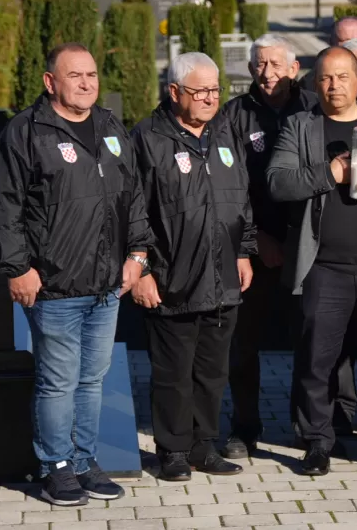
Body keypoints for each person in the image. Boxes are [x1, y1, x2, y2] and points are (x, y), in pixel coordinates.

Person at [0, 43, 151, 506]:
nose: (86, 83)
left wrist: (139, 253)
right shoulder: (26, 132)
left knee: (91, 380)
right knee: (58, 381)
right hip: (54, 285)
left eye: (91, 75)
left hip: (106, 285)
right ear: (50, 82)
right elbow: (5, 206)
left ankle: (83, 461)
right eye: (75, 75)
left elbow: (133, 194)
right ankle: (56, 466)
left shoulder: (110, 126)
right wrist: (18, 267)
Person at [266, 46, 357, 476]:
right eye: (326, 78)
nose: (334, 86)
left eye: (343, 77)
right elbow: (277, 182)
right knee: (317, 360)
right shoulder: (299, 126)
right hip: (323, 267)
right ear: (315, 84)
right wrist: (328, 173)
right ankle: (316, 441)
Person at [130, 52, 256, 482]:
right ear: (174, 92)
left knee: (212, 372)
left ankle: (204, 446)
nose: (209, 98)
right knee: (173, 374)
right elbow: (132, 209)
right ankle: (173, 450)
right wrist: (142, 269)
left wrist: (244, 251)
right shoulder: (147, 139)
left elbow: (241, 196)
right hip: (172, 277)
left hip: (223, 275)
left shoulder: (225, 132)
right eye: (200, 91)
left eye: (215, 90)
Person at [221, 35, 318, 460]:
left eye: (276, 64)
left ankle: (308, 427)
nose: (268, 72)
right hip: (254, 246)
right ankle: (245, 426)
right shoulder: (234, 115)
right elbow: (227, 186)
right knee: (244, 344)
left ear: (294, 69)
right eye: (260, 64)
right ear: (250, 69)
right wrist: (256, 238)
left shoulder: (313, 108)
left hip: (308, 244)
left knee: (309, 341)